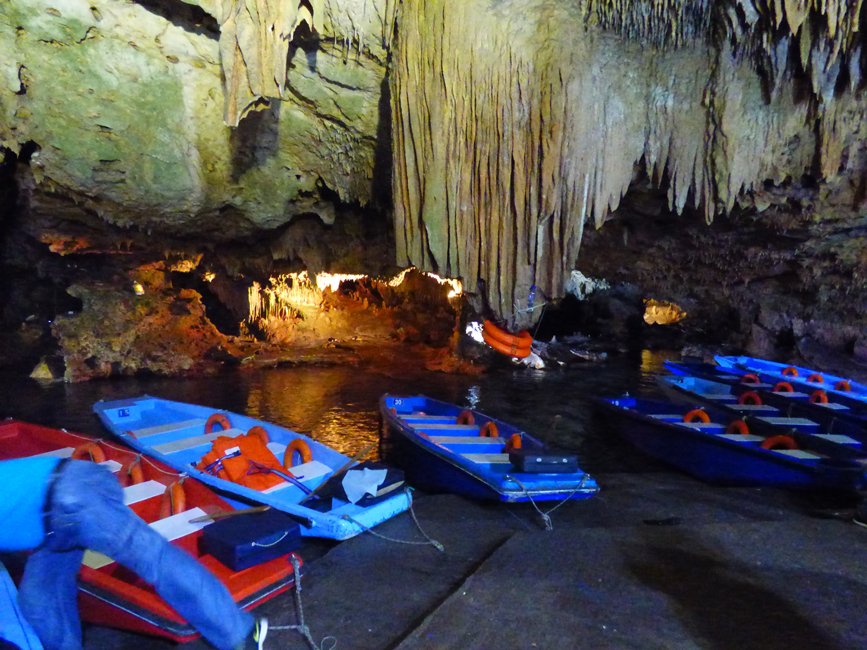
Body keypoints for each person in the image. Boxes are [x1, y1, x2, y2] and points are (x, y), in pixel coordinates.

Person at [0, 456, 268, 650]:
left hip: (72, 494)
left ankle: (242, 632)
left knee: (155, 559)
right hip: (51, 531)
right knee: (37, 602)